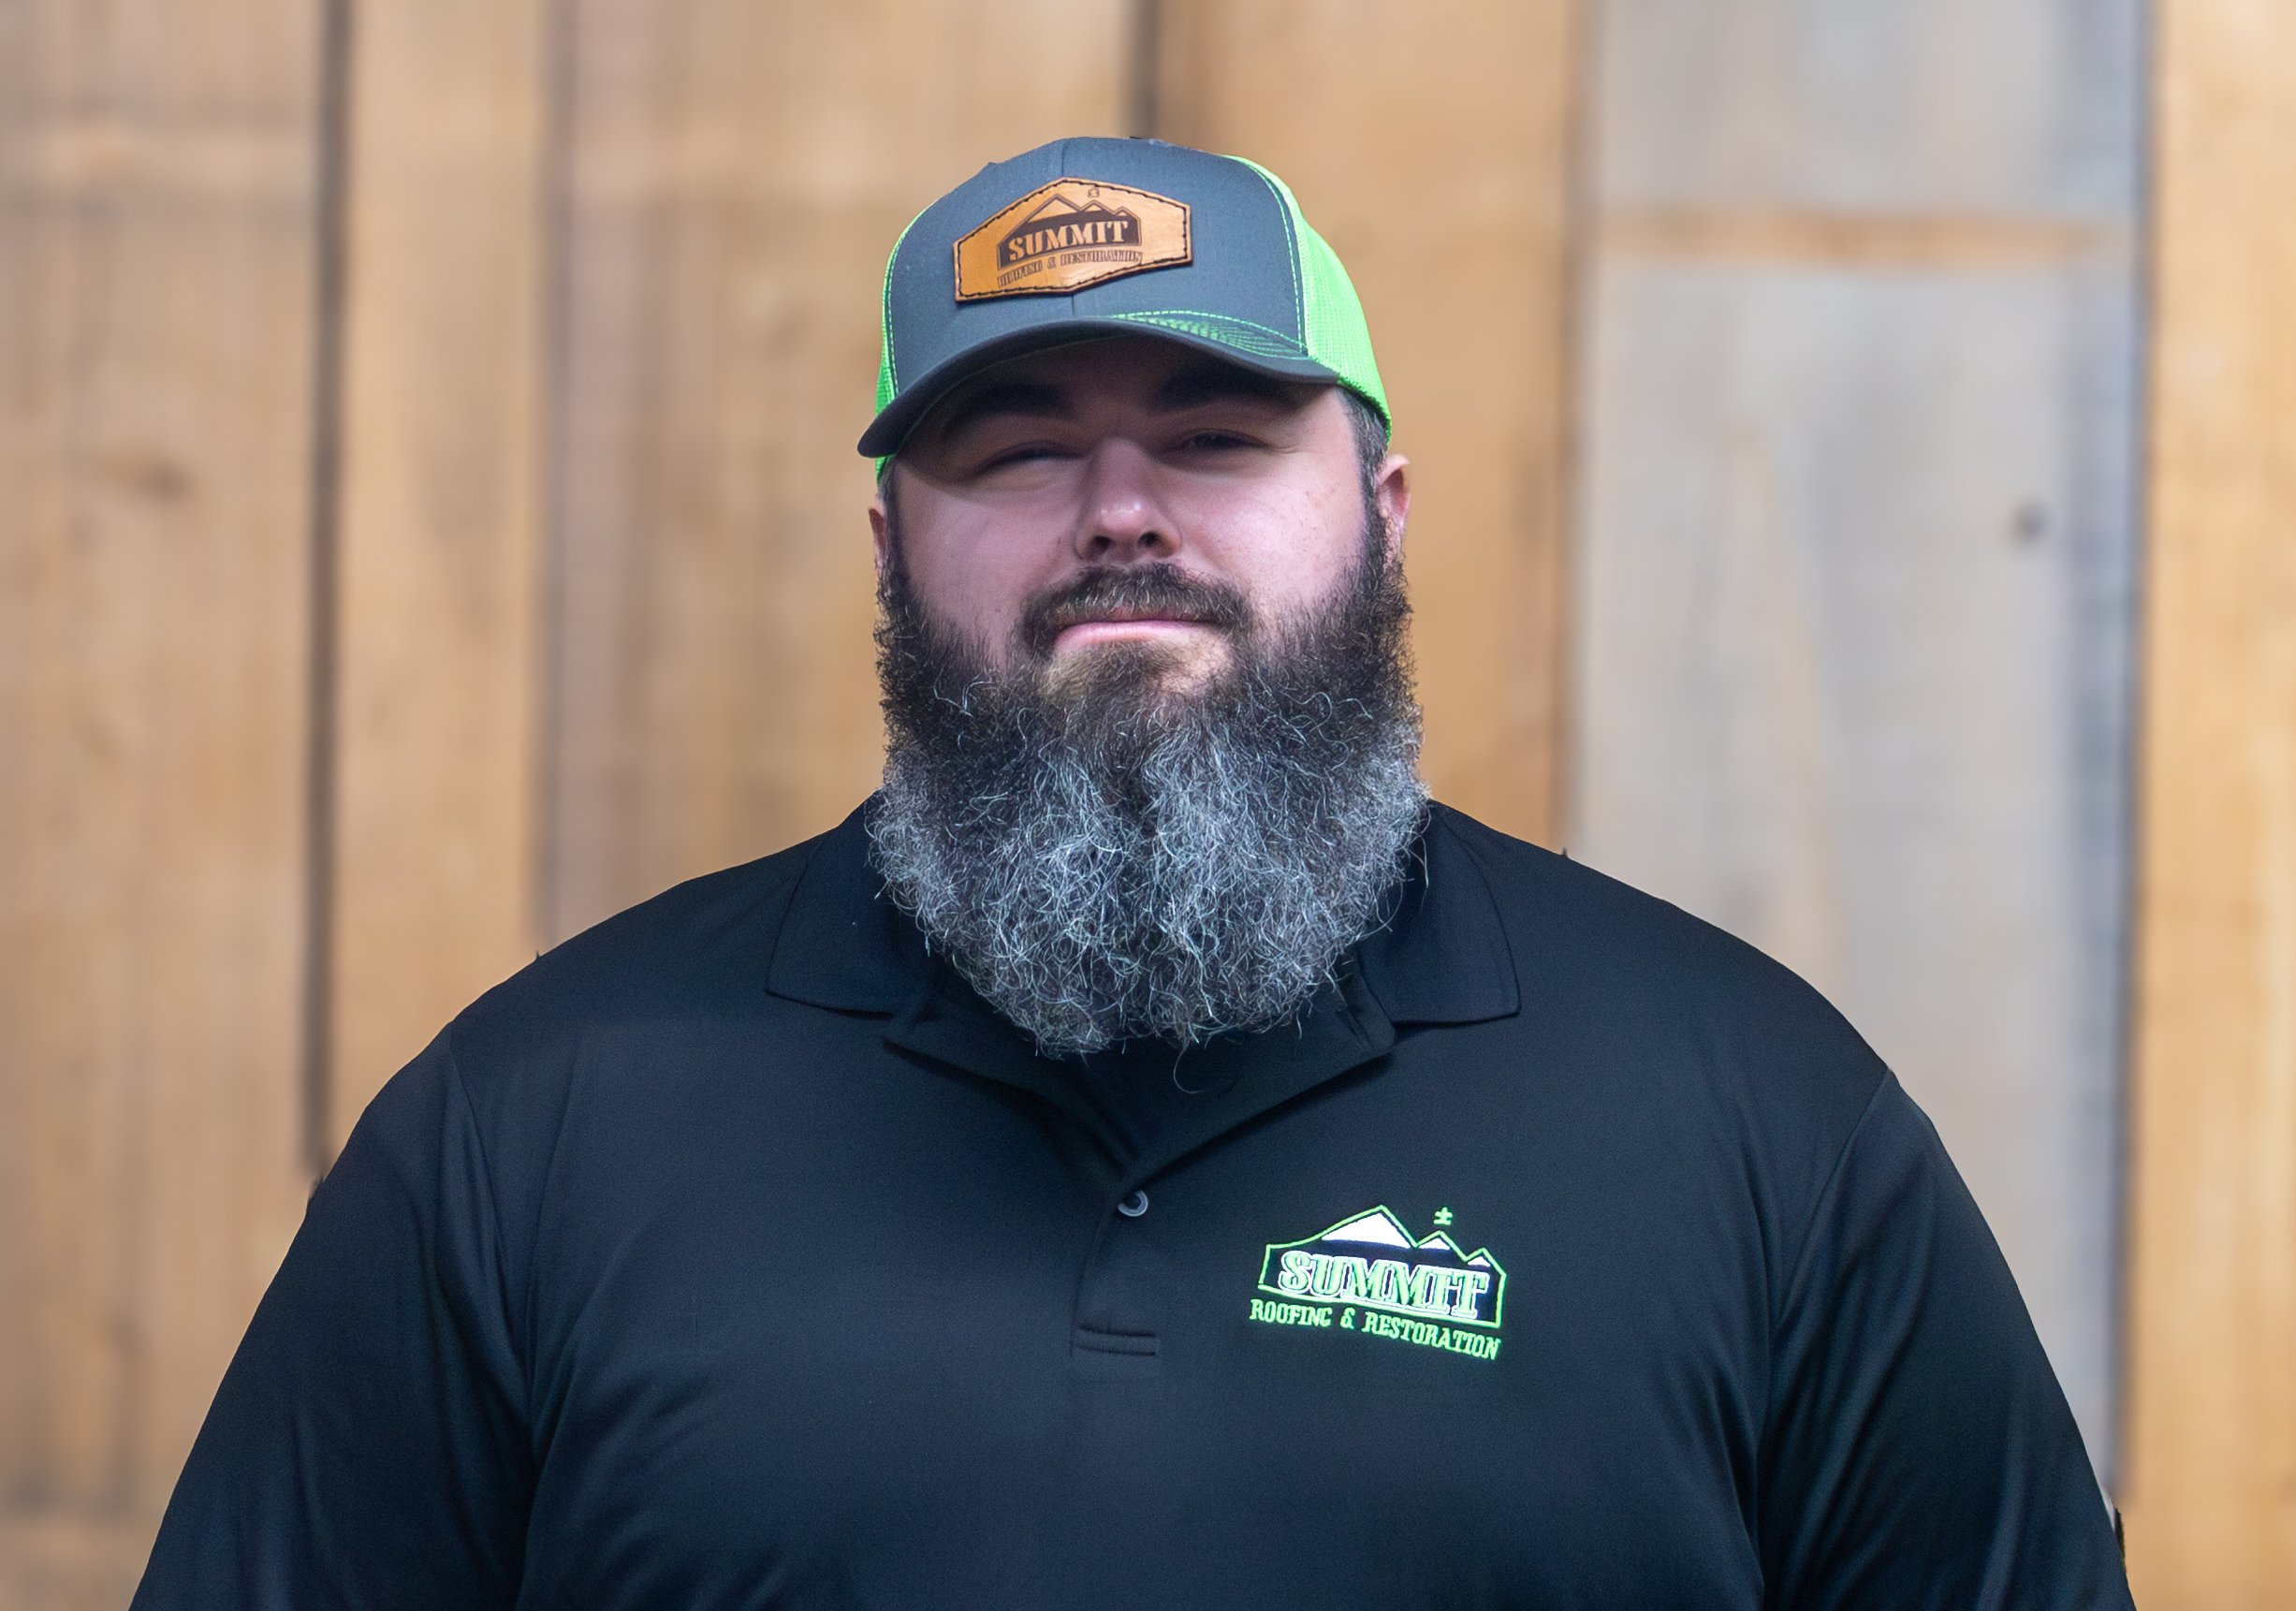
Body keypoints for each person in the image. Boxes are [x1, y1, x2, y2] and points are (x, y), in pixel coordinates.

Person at [132, 137, 2133, 1609]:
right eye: (1016, 449)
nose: (1118, 513)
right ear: (891, 547)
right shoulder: (535, 1124)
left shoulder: (1754, 1119)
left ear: (1382, 511)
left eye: (1217, 433)